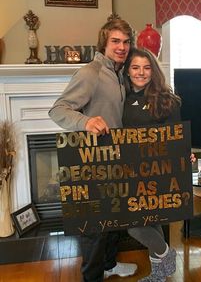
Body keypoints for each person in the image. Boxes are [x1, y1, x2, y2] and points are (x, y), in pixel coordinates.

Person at [48, 14, 137, 282]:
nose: (121, 46)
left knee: (113, 221)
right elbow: (57, 110)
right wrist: (85, 121)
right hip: (94, 161)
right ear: (104, 43)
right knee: (96, 228)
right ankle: (92, 277)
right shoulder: (91, 72)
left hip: (117, 159)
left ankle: (109, 265)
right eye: (115, 41)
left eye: (126, 41)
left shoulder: (121, 74)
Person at [122, 47, 182, 282]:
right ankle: (161, 270)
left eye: (147, 68)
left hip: (160, 172)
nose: (141, 72)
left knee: (137, 225)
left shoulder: (167, 100)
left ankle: (165, 258)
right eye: (135, 67)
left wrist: (185, 155)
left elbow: (177, 136)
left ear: (153, 71)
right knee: (145, 222)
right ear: (128, 71)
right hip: (132, 171)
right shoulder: (122, 98)